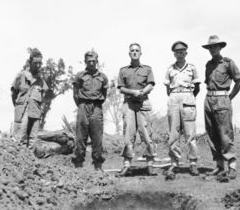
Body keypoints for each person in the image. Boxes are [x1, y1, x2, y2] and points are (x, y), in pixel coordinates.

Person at [202, 35, 240, 180]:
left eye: (215, 46)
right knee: (212, 134)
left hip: (222, 99)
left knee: (225, 134)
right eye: (210, 47)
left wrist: (229, 97)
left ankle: (231, 166)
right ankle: (220, 166)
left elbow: (239, 82)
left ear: (220, 47)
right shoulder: (208, 64)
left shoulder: (228, 63)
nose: (212, 49)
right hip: (208, 99)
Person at [116, 43, 157, 177]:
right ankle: (127, 164)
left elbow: (151, 84)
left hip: (143, 102)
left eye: (137, 51)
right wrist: (133, 92)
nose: (134, 52)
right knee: (128, 134)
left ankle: (150, 164)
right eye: (132, 51)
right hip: (129, 104)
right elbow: (121, 88)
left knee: (146, 133)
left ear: (140, 53)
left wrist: (142, 92)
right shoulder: (123, 70)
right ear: (129, 54)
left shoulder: (147, 69)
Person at [163, 41, 201, 180]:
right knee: (174, 133)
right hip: (174, 97)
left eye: (182, 51)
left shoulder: (192, 68)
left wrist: (188, 96)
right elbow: (167, 88)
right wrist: (176, 96)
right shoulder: (170, 69)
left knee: (190, 134)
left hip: (188, 97)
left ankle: (192, 162)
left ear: (186, 53)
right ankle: (174, 162)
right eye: (177, 52)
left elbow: (197, 87)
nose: (179, 54)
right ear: (174, 54)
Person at [72, 50, 108, 171]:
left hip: (97, 107)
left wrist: (96, 104)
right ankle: (78, 164)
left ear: (97, 61)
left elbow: (104, 93)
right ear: (85, 62)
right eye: (89, 61)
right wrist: (82, 105)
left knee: (97, 137)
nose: (91, 63)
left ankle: (98, 165)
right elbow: (75, 94)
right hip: (83, 106)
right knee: (81, 136)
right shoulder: (80, 76)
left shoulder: (102, 77)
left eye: (93, 61)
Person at [11, 48, 48, 148]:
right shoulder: (21, 76)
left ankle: (29, 162)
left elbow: (43, 97)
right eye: (35, 63)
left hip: (35, 113)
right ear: (30, 62)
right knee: (20, 139)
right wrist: (18, 107)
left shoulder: (41, 80)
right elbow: (13, 94)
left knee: (32, 141)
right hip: (22, 111)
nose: (38, 65)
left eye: (40, 63)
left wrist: (40, 110)